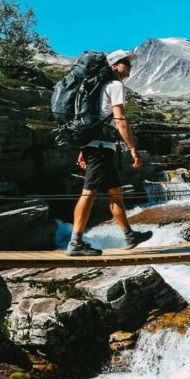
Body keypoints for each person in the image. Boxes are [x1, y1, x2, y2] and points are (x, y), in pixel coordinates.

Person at [66, 49, 153, 256]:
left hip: (98, 146)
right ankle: (75, 243)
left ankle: (129, 235)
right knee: (88, 193)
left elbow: (91, 119)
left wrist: (84, 148)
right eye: (125, 63)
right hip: (101, 149)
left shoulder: (97, 88)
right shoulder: (115, 86)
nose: (129, 66)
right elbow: (120, 120)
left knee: (116, 192)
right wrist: (133, 148)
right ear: (114, 66)